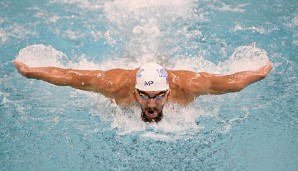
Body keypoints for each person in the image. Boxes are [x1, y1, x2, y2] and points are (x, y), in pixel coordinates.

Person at [14, 60, 273, 123]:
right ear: (136, 93)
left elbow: (230, 82)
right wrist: (31, 71)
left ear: (169, 94)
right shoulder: (115, 85)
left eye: (159, 96)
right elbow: (69, 77)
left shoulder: (189, 86)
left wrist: (259, 74)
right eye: (146, 96)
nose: (152, 105)